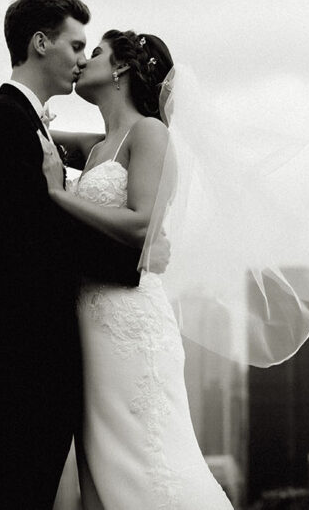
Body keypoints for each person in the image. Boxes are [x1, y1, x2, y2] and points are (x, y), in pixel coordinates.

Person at [0, 0, 144, 510]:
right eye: (76, 44)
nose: (83, 59)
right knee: (25, 495)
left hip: (33, 351)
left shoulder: (26, 120)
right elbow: (31, 246)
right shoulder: (5, 122)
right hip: (27, 353)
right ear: (40, 43)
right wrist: (136, 260)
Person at [39, 30, 235, 509]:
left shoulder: (150, 132)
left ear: (123, 68)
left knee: (150, 455)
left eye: (96, 52)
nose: (83, 61)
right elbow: (27, 135)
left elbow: (141, 224)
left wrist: (59, 195)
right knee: (105, 464)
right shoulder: (97, 146)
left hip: (131, 321)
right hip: (92, 325)